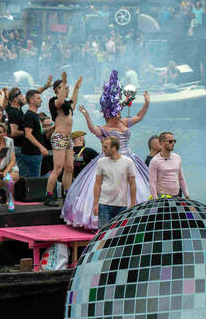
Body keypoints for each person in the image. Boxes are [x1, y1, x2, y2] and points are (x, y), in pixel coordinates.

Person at [62, 71, 151, 230]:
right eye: (116, 111)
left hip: (128, 159)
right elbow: (93, 130)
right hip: (110, 161)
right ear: (110, 113)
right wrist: (88, 117)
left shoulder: (124, 122)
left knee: (134, 185)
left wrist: (146, 104)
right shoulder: (105, 128)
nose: (119, 113)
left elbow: (139, 117)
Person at [45, 73, 82, 206]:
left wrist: (76, 88)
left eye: (67, 88)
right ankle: (49, 195)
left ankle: (67, 194)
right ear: (57, 90)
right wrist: (64, 82)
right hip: (59, 136)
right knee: (58, 167)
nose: (67, 90)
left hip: (68, 137)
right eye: (64, 88)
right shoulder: (53, 101)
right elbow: (60, 101)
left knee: (69, 167)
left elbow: (72, 101)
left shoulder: (67, 105)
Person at [93, 136, 137, 228]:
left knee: (118, 234)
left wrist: (133, 205)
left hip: (121, 205)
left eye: (105, 147)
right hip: (104, 204)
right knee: (102, 234)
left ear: (114, 148)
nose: (103, 149)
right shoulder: (101, 162)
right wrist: (95, 204)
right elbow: (97, 184)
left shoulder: (128, 162)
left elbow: (132, 184)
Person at [149, 132, 189, 199]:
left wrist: (186, 195)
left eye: (174, 141)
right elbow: (152, 182)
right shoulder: (155, 161)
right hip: (161, 198)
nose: (173, 143)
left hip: (176, 196)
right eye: (170, 141)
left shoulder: (177, 158)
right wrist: (155, 198)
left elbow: (181, 179)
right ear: (162, 142)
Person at [20, 89, 47, 178]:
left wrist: (53, 128)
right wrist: (41, 147)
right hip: (31, 154)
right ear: (31, 100)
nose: (41, 100)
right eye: (38, 98)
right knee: (33, 181)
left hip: (36, 154)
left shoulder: (35, 115)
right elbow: (28, 134)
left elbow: (38, 131)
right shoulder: (29, 115)